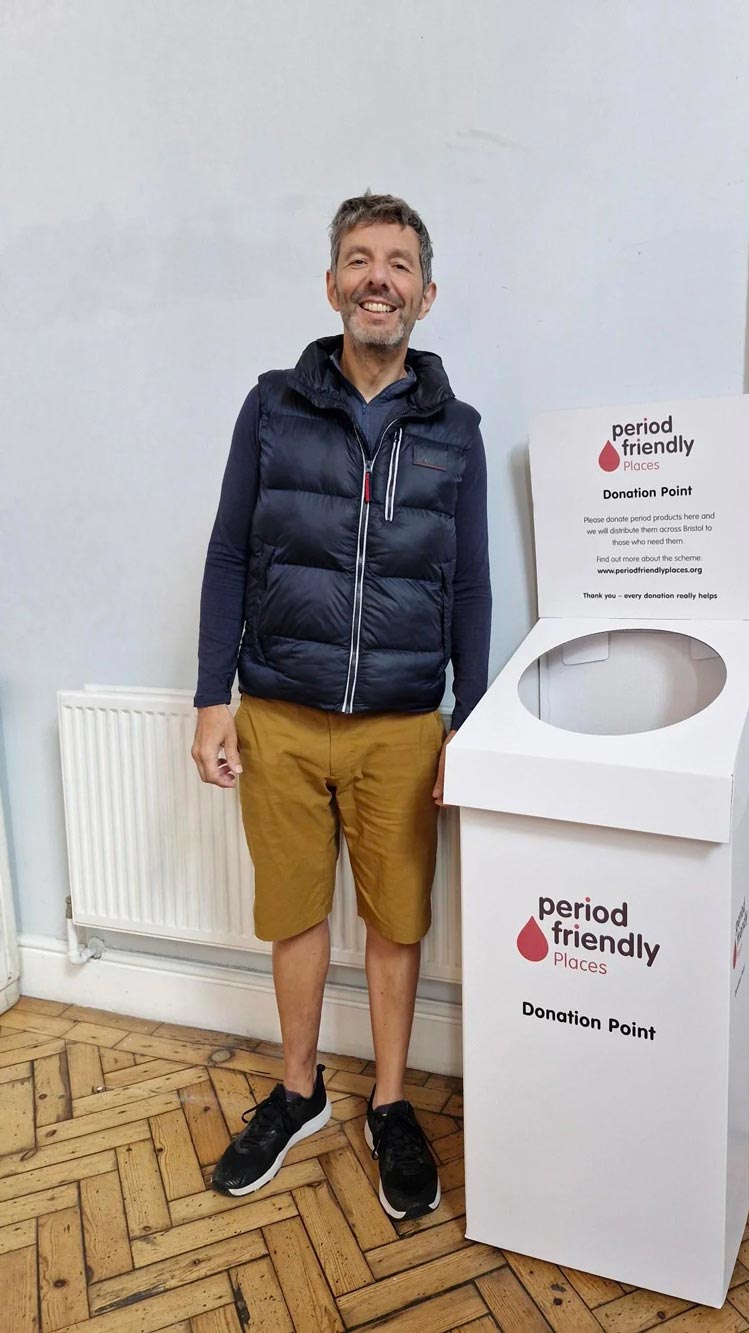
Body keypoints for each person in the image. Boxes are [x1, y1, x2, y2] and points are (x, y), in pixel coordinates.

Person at [190, 192, 491, 1220]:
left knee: (397, 922)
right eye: (359, 259)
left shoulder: (458, 431)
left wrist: (471, 723)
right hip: (278, 709)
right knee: (295, 914)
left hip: (405, 724)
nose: (378, 277)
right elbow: (229, 550)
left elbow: (470, 587)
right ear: (331, 284)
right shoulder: (273, 404)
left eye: (398, 263)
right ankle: (299, 1088)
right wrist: (208, 696)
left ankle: (393, 1103)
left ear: (425, 293)